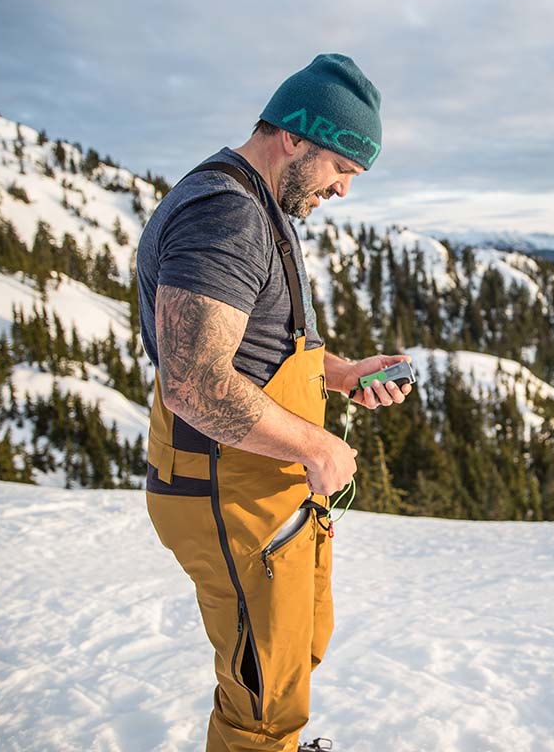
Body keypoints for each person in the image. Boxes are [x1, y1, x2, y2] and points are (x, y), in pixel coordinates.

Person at [135, 53, 411, 752]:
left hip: (262, 484)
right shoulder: (225, 214)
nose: (344, 190)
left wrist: (342, 374)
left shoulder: (265, 205)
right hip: (227, 489)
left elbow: (256, 354)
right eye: (342, 169)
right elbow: (194, 382)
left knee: (291, 652)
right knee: (261, 694)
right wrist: (318, 445)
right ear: (295, 136)